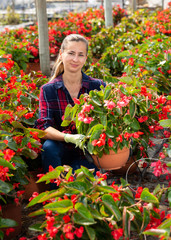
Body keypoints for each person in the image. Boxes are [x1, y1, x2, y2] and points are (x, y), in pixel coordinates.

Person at [35, 34, 106, 178]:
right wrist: (68, 137)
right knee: (49, 147)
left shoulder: (97, 86)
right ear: (61, 55)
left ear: (86, 59)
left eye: (81, 55)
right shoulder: (48, 89)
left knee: (82, 182)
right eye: (71, 53)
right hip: (61, 149)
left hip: (89, 150)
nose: (75, 59)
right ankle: (55, 191)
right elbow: (44, 128)